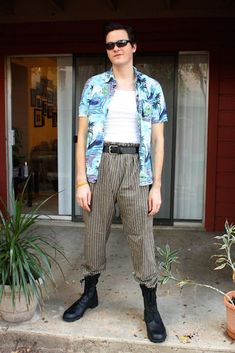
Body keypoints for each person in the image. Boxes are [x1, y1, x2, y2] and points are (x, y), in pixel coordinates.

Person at [63, 22, 168, 343]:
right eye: (110, 45)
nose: (116, 48)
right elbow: (81, 138)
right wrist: (81, 180)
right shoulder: (93, 86)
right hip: (100, 166)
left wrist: (158, 185)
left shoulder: (152, 87)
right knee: (95, 232)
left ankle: (150, 307)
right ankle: (89, 293)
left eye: (122, 42)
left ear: (134, 46)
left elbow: (159, 139)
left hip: (137, 167)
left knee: (141, 236)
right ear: (107, 51)